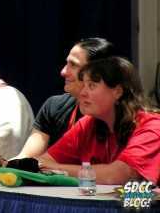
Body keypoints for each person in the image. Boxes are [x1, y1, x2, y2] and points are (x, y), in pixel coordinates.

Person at [38, 57, 160, 185]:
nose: (82, 93)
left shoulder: (153, 127)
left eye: (91, 85)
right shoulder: (87, 124)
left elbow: (117, 176)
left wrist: (56, 170)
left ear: (117, 91)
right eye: (83, 85)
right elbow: (43, 162)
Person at [14, 38, 115, 159]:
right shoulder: (54, 106)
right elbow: (27, 159)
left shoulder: (120, 117)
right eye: (67, 63)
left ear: (97, 73)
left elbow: (115, 173)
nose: (63, 72)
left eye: (73, 65)